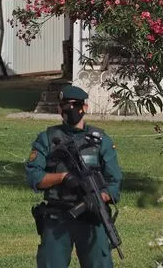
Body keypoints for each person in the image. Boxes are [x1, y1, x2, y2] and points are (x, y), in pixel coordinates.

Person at [25, 85, 122, 268]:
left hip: (92, 217)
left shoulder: (101, 141)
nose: (69, 109)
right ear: (59, 109)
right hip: (57, 217)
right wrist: (63, 177)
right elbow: (34, 177)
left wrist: (99, 197)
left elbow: (114, 183)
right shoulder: (47, 138)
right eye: (64, 105)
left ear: (84, 107)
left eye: (74, 105)